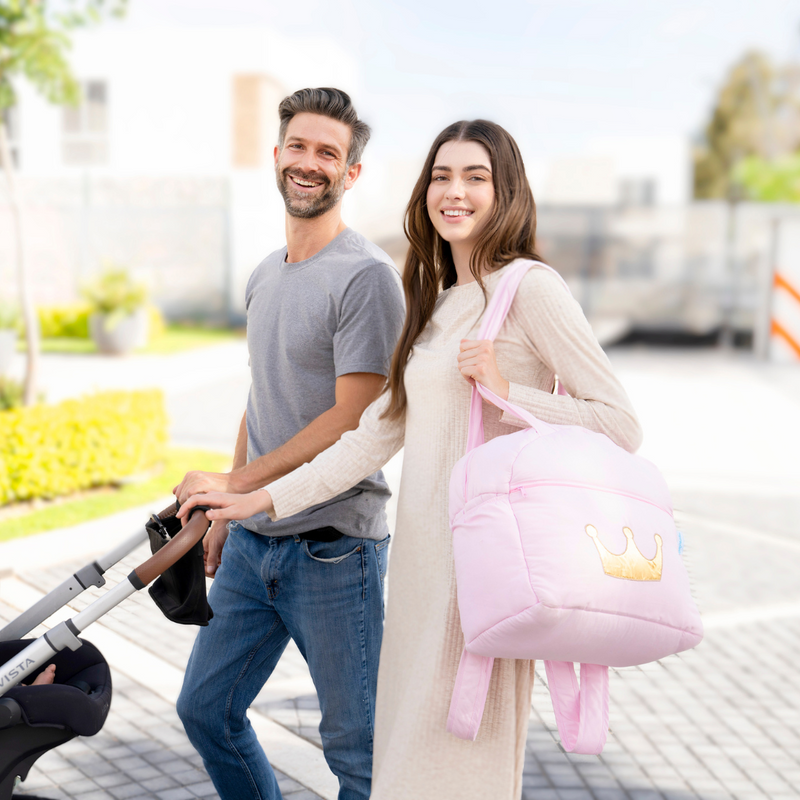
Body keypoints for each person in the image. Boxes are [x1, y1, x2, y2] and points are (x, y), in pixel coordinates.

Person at [179, 120, 643, 800]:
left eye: (475, 177)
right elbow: (371, 437)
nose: (453, 191)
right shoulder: (435, 301)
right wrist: (255, 498)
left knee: (459, 774)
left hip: (483, 575)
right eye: (441, 175)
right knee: (402, 773)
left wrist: (509, 393)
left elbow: (619, 424)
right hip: (421, 573)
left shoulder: (530, 289)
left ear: (506, 191)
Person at [173, 88, 405, 800]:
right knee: (206, 709)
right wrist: (224, 502)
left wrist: (240, 488)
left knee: (356, 752)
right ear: (276, 157)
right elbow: (260, 395)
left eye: (328, 154)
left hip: (334, 551)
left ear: (351, 174)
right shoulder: (265, 275)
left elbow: (350, 419)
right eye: (298, 147)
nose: (309, 163)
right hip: (252, 542)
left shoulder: (366, 278)